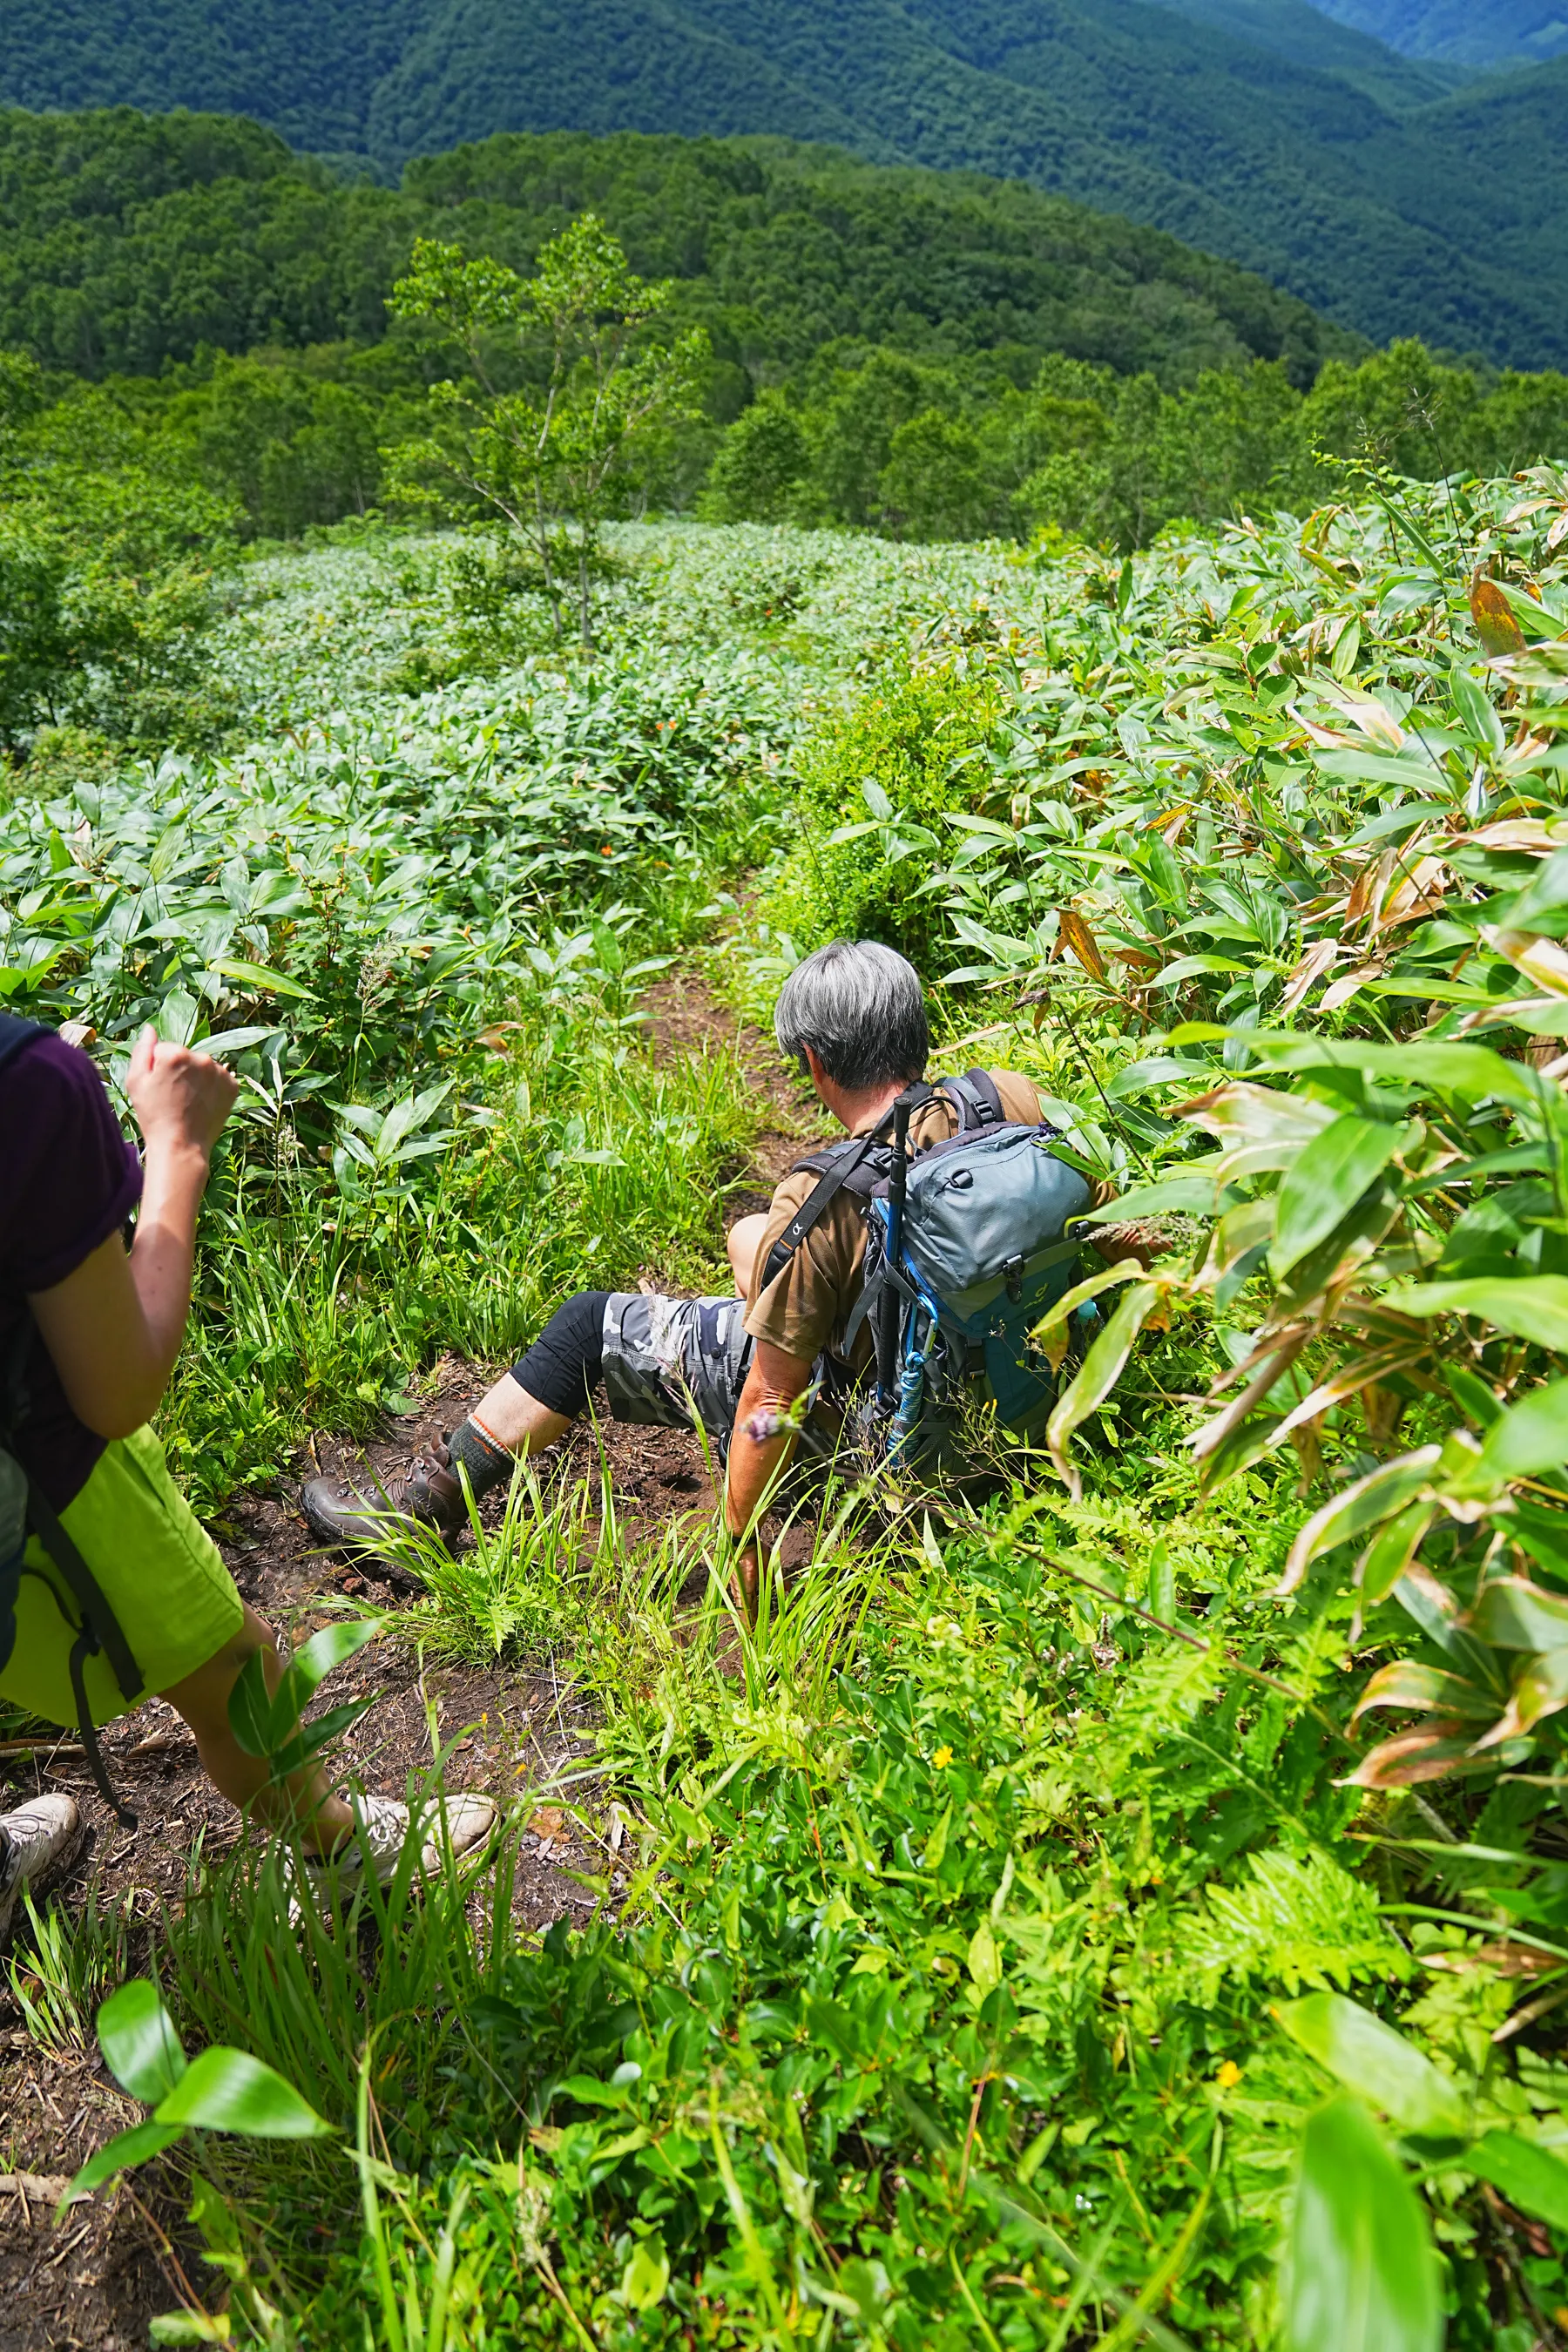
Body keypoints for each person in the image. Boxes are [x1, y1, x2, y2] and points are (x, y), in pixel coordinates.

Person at [302, 939, 1146, 1612]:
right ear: (916, 1030)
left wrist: (740, 1541)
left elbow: (769, 1403)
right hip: (1035, 1424)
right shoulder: (1012, 1100)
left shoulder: (823, 1199)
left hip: (903, 1465)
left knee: (590, 1325)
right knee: (755, 1244)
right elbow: (1113, 1233)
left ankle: (416, 1516)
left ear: (815, 1062)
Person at [0, 1016, 495, 1938]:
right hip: (49, 1489)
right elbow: (117, 1390)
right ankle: (339, 1851)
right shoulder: (25, 1085)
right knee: (237, 1676)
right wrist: (176, 1146)